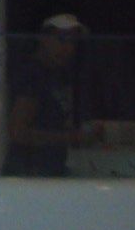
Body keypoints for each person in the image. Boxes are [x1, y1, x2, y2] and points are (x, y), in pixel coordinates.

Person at [6, 13, 87, 175]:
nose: (69, 48)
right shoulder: (32, 73)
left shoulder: (60, 74)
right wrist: (70, 137)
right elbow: (18, 132)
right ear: (44, 39)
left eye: (73, 41)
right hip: (30, 172)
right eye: (62, 39)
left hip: (53, 169)